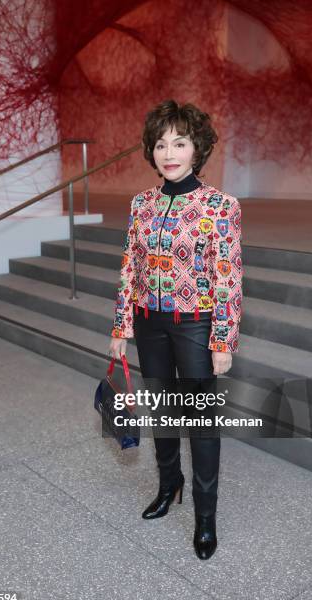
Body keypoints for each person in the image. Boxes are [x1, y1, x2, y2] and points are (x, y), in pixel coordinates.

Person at [108, 99, 243, 560]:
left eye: (179, 142)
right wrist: (121, 324)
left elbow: (227, 274)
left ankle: (206, 517)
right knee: (164, 413)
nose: (170, 152)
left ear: (196, 148)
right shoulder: (141, 204)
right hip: (149, 323)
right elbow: (131, 266)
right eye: (161, 143)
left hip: (196, 326)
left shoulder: (219, 206)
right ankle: (170, 485)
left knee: (201, 424)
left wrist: (222, 338)